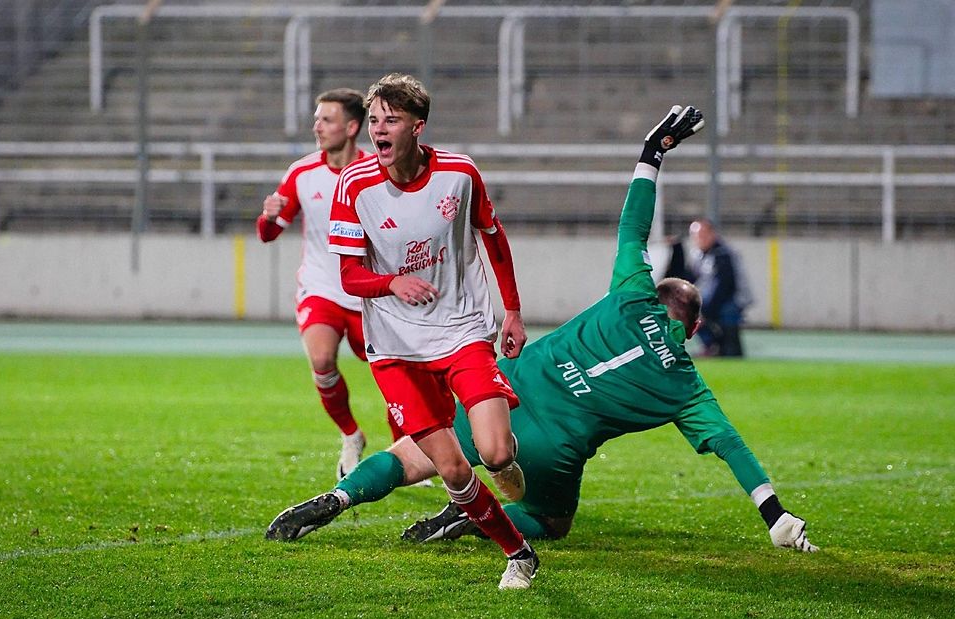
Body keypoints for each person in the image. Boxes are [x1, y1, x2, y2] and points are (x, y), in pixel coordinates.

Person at [265, 104, 819, 558]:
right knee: (551, 520)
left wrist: (652, 155)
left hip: (506, 392)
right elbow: (729, 445)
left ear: (654, 294)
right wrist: (775, 514)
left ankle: (339, 498)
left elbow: (634, 222)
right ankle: (480, 522)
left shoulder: (630, 295)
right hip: (553, 447)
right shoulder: (686, 385)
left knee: (416, 454)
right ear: (692, 325)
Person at [269, 73, 539, 590]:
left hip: (461, 332)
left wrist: (513, 311)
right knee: (456, 472)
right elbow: (351, 276)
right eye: (373, 121)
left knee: (497, 452)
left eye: (390, 120)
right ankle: (519, 555)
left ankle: (502, 468)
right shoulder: (355, 185)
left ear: (418, 126)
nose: (379, 130)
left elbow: (492, 236)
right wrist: (393, 282)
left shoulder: (459, 174)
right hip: (394, 347)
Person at [256, 88, 389, 480]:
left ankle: (410, 446)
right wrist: (268, 216)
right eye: (317, 118)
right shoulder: (301, 172)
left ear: (351, 127)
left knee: (392, 372)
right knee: (321, 360)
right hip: (321, 288)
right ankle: (351, 435)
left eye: (326, 119)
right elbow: (269, 233)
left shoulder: (377, 170)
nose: (317, 126)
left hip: (367, 292)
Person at [670, 218, 752, 357]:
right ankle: (713, 346)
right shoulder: (699, 255)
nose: (699, 239)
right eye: (695, 236)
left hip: (734, 298)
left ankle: (723, 347)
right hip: (717, 298)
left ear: (713, 234)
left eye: (702, 235)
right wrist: (677, 250)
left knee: (722, 320)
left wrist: (705, 309)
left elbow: (724, 287)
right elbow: (687, 278)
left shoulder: (723, 254)